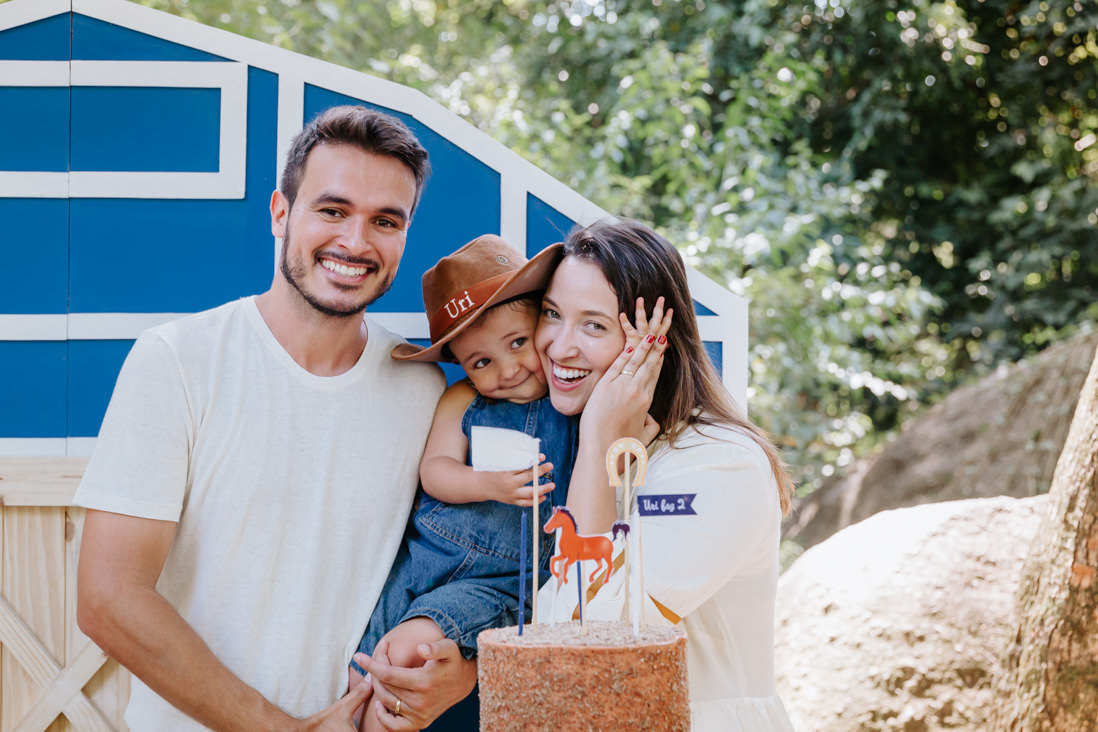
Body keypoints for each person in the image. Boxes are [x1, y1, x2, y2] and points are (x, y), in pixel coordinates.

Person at [74, 105, 477, 731]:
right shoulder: (177, 361)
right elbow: (108, 600)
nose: (356, 241)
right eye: (333, 210)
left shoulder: (423, 387)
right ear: (281, 213)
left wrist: (462, 673)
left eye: (386, 221)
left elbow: (469, 561)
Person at [535, 219, 797, 730]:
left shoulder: (722, 463)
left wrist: (597, 442)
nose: (559, 346)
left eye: (593, 325)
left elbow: (594, 639)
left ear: (655, 343)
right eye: (551, 314)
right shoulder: (605, 448)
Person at [347, 234, 574, 731]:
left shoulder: (570, 403)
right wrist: (489, 484)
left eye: (518, 343)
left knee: (403, 660)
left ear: (543, 324)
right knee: (356, 675)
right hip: (419, 562)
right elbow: (436, 471)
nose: (508, 369)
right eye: (481, 362)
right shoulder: (462, 399)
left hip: (496, 581)